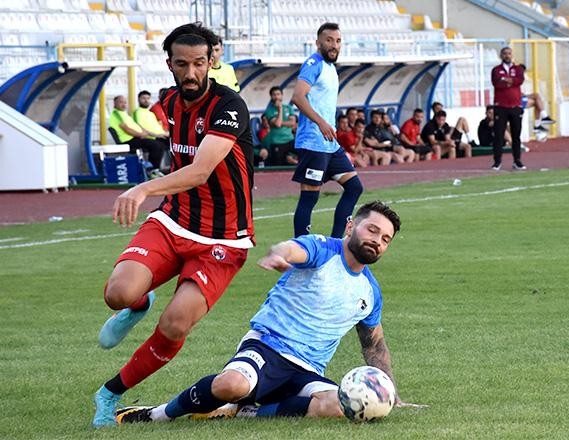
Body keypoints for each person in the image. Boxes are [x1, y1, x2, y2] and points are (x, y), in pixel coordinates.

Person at [114, 201, 422, 425]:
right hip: (267, 346)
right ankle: (156, 414)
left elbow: (374, 345)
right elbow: (294, 249)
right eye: (372, 230)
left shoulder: (370, 292)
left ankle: (246, 411)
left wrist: (390, 393)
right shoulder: (323, 249)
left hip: (307, 369)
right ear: (351, 226)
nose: (377, 241)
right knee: (231, 386)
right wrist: (279, 253)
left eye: (385, 239)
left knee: (339, 405)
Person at [92, 22, 255, 428]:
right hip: (174, 219)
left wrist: (141, 188)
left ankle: (109, 393)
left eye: (199, 63)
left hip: (223, 237)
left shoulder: (229, 107)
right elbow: (146, 124)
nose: (191, 72)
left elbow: (201, 170)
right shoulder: (168, 101)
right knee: (118, 294)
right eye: (182, 64)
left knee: (175, 323)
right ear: (169, 65)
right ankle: (138, 302)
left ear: (211, 62)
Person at [290, 22, 363, 239]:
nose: (334, 45)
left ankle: (336, 242)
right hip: (313, 142)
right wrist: (321, 122)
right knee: (309, 197)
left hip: (329, 145)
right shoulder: (314, 63)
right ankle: (301, 249)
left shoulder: (330, 68)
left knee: (354, 187)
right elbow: (298, 96)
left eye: (338, 41)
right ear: (318, 42)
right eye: (329, 40)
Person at [108, 95, 167, 174]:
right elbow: (127, 129)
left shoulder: (124, 113)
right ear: (114, 103)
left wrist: (144, 133)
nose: (124, 104)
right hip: (128, 140)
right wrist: (140, 134)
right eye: (121, 102)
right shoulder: (117, 114)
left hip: (135, 138)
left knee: (160, 144)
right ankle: (153, 170)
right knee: (156, 145)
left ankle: (155, 168)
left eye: (125, 102)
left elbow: (134, 126)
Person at [490, 46, 527, 171]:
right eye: (505, 53)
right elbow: (497, 83)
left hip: (515, 106)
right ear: (501, 55)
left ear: (512, 55)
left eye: (509, 53)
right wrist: (510, 81)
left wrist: (507, 80)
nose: (507, 55)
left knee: (516, 135)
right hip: (500, 106)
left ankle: (517, 161)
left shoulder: (518, 69)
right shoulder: (496, 70)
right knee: (499, 135)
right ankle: (497, 162)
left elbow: (519, 80)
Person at [260, 86, 297, 166]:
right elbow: (277, 124)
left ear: (282, 95)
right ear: (271, 97)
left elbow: (292, 123)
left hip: (290, 139)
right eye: (274, 95)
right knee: (279, 166)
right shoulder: (269, 110)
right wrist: (280, 109)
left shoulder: (289, 108)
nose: (276, 96)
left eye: (278, 94)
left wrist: (280, 123)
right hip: (277, 142)